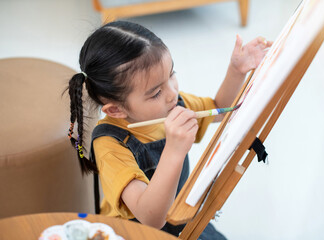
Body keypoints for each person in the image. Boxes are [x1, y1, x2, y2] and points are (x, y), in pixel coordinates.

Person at [66, 20, 271, 238]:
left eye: (172, 74)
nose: (172, 92)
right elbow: (151, 218)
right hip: (135, 233)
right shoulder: (109, 144)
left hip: (179, 220)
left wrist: (236, 70)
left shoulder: (173, 103)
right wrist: (173, 151)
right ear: (116, 110)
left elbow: (218, 110)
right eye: (155, 93)